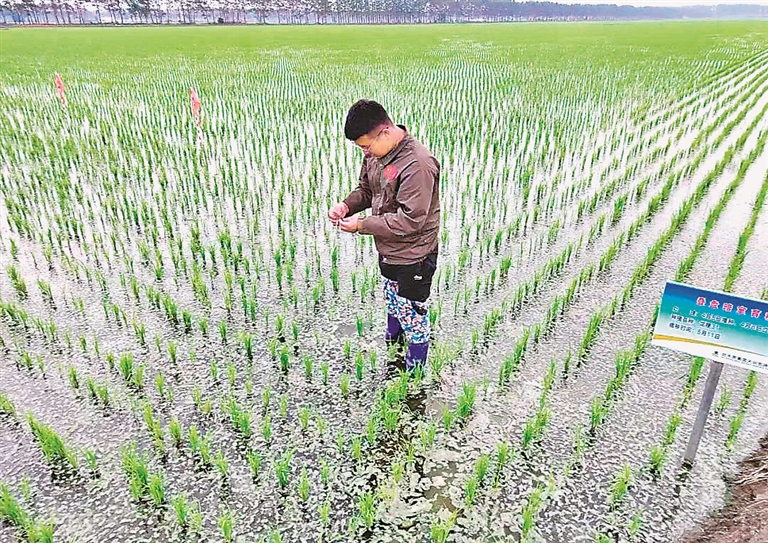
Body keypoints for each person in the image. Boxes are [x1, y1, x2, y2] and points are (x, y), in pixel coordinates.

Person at [328, 99, 440, 371]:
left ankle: (414, 372)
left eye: (366, 146)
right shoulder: (376, 156)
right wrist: (347, 205)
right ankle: (393, 344)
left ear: (386, 133)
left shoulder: (418, 164)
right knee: (393, 299)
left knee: (413, 312)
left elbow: (411, 220)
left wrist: (362, 225)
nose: (365, 153)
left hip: (414, 255)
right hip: (389, 250)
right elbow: (367, 191)